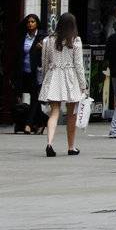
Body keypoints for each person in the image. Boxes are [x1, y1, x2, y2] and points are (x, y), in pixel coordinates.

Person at [39, 12, 88, 157]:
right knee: (71, 114)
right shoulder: (75, 41)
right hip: (70, 78)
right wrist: (83, 85)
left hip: (53, 75)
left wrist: (46, 79)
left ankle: (49, 143)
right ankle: (71, 147)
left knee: (54, 112)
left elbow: (45, 61)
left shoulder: (48, 40)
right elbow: (79, 65)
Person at [11, 13, 45, 135]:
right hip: (24, 71)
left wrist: (42, 47)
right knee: (32, 97)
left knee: (35, 98)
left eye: (32, 22)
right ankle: (41, 123)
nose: (30, 24)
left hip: (36, 72)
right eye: (28, 22)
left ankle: (28, 124)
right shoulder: (23, 37)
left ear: (37, 23)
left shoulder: (41, 36)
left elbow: (50, 47)